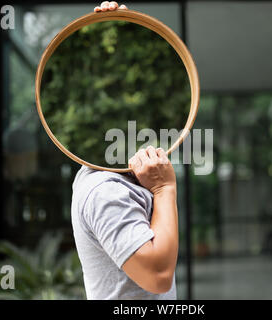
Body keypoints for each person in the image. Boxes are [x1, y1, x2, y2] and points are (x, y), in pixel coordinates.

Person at [71, 2, 178, 300]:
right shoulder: (105, 189)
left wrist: (125, 29)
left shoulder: (129, 172)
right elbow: (158, 276)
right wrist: (164, 188)